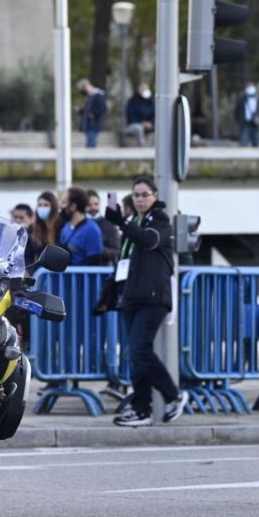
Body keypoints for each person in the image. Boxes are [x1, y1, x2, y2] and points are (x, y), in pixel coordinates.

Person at [103, 177, 190, 427]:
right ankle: (141, 409)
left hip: (153, 296)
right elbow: (125, 260)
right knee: (135, 354)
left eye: (145, 194)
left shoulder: (160, 219)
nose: (140, 199)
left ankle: (174, 395)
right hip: (132, 296)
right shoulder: (134, 222)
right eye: (136, 195)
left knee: (140, 349)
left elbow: (149, 240)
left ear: (154, 196)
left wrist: (121, 223)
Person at [58, 187, 104, 266]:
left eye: (64, 203)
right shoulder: (66, 228)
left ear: (73, 206)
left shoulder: (91, 229)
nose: (61, 207)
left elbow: (94, 263)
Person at [86, 188, 120, 266]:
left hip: (101, 270)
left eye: (96, 204)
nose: (93, 207)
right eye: (89, 205)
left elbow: (116, 251)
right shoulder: (78, 224)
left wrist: (98, 248)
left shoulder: (109, 225)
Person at [77, 78, 108, 148]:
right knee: (90, 142)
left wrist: (94, 114)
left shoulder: (98, 95)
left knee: (90, 144)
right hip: (89, 124)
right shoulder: (90, 96)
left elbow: (102, 109)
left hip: (93, 123)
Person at [235, 82, 259, 148]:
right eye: (248, 87)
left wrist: (258, 118)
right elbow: (236, 112)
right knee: (243, 144)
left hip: (255, 124)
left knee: (257, 144)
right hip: (245, 124)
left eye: (251, 87)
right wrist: (239, 121)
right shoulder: (241, 99)